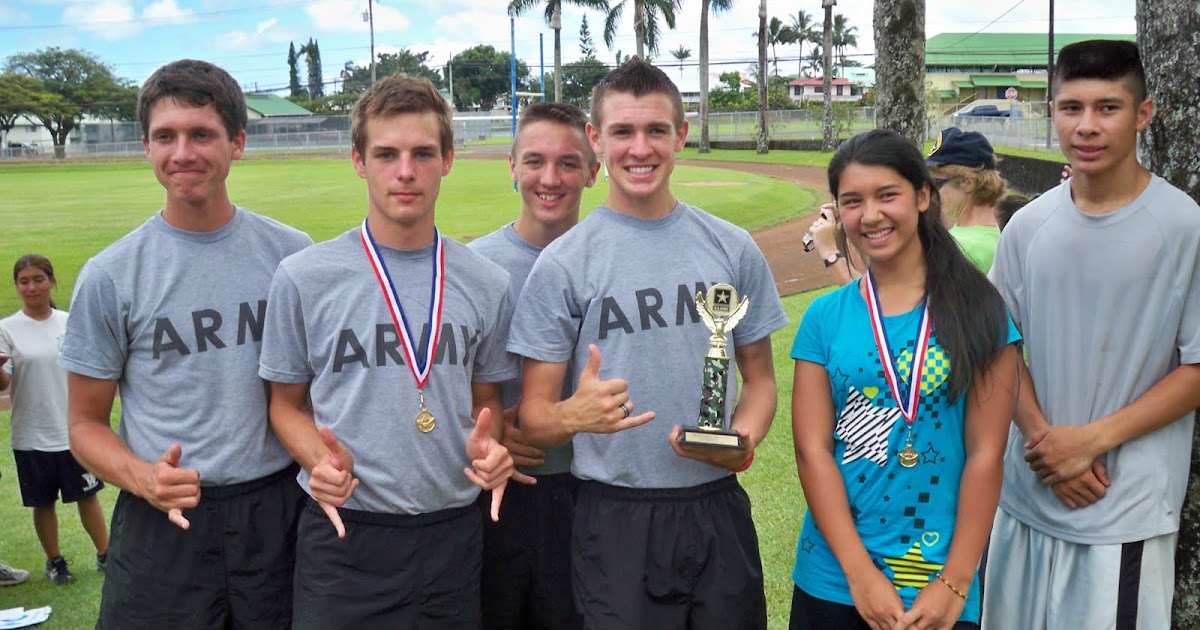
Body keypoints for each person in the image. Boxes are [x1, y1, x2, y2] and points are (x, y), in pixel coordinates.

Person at [507, 57, 789, 629]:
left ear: (680, 135)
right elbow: (534, 418)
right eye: (623, 132)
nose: (640, 148)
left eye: (656, 130)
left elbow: (759, 380)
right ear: (596, 139)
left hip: (716, 504)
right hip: (615, 518)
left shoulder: (731, 248)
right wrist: (572, 414)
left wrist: (743, 439)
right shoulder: (563, 265)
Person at [258, 74, 523, 628]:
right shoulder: (305, 277)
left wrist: (492, 446)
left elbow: (487, 400)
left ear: (448, 158)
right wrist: (318, 460)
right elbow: (284, 404)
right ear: (358, 160)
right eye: (387, 154)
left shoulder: (486, 281)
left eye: (423, 153)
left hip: (453, 531)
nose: (405, 171)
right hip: (346, 532)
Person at [58, 59, 313, 628]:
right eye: (165, 137)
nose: (183, 154)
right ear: (145, 146)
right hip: (163, 516)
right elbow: (83, 425)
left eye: (202, 134)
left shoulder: (292, 256)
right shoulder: (112, 275)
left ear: (237, 142)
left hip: (278, 512)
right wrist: (141, 476)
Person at [983, 40, 1200, 629]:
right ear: (1051, 112)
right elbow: (998, 345)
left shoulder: (1183, 226)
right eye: (1071, 108)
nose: (1087, 126)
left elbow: (1197, 369)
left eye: (1108, 107)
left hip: (1121, 512)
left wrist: (1088, 443)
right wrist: (1046, 441)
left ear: (1144, 113)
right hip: (1027, 498)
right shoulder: (1027, 227)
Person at [789, 129, 1019, 630]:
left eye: (886, 195)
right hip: (833, 579)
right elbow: (812, 450)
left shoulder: (981, 311)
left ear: (922, 196)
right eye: (852, 202)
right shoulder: (824, 318)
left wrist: (955, 581)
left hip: (940, 588)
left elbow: (986, 454)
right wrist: (859, 575)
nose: (870, 215)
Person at [467, 102, 600, 629]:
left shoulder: (612, 259)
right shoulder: (473, 267)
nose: (551, 178)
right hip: (496, 494)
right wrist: (487, 425)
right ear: (512, 166)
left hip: (590, 492)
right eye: (535, 161)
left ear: (593, 169)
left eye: (569, 163)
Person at [1, 255, 109, 585]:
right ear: (17, 286)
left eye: (38, 279)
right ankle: (55, 561)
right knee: (43, 502)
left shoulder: (70, 321)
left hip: (74, 430)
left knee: (87, 496)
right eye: (24, 281)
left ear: (52, 282)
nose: (31, 287)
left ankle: (107, 554)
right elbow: (3, 383)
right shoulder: (6, 328)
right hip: (32, 432)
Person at [926, 127, 1005, 273]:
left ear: (968, 182)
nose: (932, 192)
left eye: (937, 183)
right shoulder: (987, 235)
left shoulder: (966, 249)